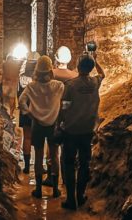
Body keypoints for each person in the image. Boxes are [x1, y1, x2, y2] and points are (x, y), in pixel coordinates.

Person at [61, 52, 105, 210]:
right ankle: (81, 195)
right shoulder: (95, 82)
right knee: (84, 163)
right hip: (88, 129)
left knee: (68, 163)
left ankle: (71, 199)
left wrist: (63, 121)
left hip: (71, 129)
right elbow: (102, 74)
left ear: (78, 67)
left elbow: (64, 106)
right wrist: (96, 61)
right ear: (91, 67)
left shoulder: (70, 85)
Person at [19, 55, 64, 198]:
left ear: (36, 72)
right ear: (51, 71)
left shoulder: (31, 86)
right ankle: (55, 190)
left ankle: (38, 189)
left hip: (37, 125)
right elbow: (64, 102)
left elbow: (21, 101)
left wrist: (30, 114)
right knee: (54, 155)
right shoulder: (58, 86)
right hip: (53, 125)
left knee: (38, 156)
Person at [43, 46, 78, 186]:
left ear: (56, 59)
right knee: (66, 147)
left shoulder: (51, 74)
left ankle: (52, 177)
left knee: (51, 148)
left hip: (53, 114)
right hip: (69, 115)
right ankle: (65, 178)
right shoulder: (74, 76)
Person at [18, 52, 40, 174]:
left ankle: (26, 166)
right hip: (37, 110)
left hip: (25, 110)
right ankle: (38, 166)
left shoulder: (21, 77)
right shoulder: (39, 79)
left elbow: (19, 94)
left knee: (26, 137)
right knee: (38, 139)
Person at [2, 55, 22, 119]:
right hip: (13, 82)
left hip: (5, 82)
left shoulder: (4, 64)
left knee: (4, 99)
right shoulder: (15, 64)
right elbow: (19, 73)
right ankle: (11, 115)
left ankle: (4, 114)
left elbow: (2, 72)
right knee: (12, 99)